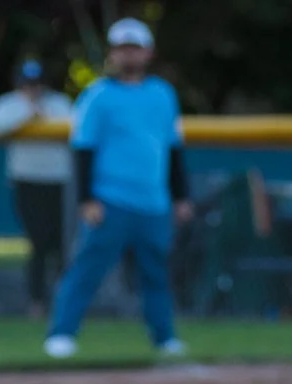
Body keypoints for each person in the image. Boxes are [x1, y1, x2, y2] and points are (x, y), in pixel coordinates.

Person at [43, 17, 193, 359]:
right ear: (112, 53)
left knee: (156, 274)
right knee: (87, 269)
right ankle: (61, 334)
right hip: (110, 201)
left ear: (148, 52)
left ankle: (164, 338)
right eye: (123, 48)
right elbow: (83, 149)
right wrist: (86, 199)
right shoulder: (98, 96)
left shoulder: (162, 94)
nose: (129, 55)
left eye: (134, 48)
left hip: (153, 202)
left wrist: (181, 196)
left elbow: (173, 149)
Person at [0, 59, 75, 318]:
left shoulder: (59, 104)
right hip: (27, 181)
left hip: (58, 181)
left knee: (61, 243)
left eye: (36, 83)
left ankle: (65, 300)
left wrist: (43, 117)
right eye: (27, 84)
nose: (32, 89)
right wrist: (26, 117)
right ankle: (37, 301)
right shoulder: (9, 105)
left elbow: (78, 127)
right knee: (38, 242)